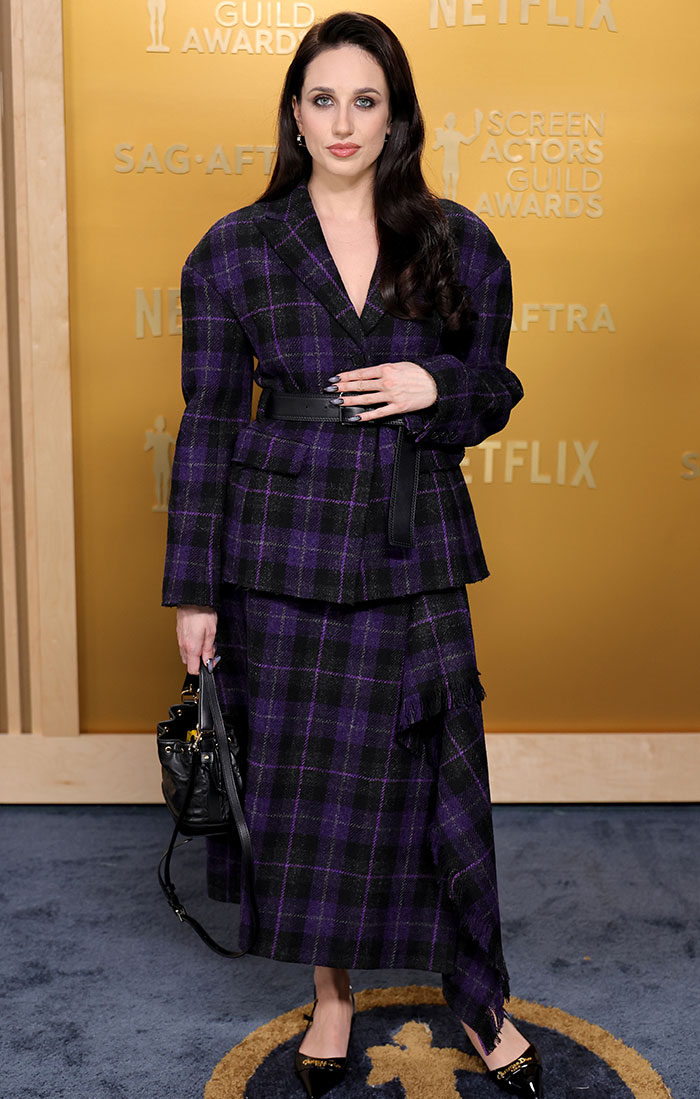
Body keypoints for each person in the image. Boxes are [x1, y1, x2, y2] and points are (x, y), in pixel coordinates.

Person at [162, 11, 541, 1099]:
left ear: (395, 114)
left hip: (412, 533)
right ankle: (331, 996)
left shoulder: (460, 239)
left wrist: (438, 387)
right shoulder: (233, 247)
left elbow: (496, 392)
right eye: (322, 99)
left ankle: (477, 998)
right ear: (294, 111)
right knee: (309, 785)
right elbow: (206, 423)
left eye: (364, 100)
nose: (342, 121)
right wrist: (192, 589)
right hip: (277, 554)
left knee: (440, 773)